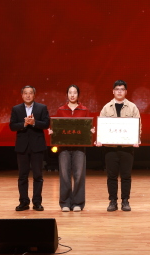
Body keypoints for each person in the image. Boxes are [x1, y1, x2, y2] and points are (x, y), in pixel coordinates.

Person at [96, 80, 141, 212]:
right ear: (113, 91)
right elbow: (101, 126)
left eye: (122, 89)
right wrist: (100, 139)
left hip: (127, 148)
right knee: (111, 176)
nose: (119, 91)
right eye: (117, 89)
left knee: (126, 176)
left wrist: (136, 139)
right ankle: (113, 201)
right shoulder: (106, 108)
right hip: (110, 148)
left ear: (126, 92)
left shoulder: (132, 107)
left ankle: (125, 201)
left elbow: (138, 125)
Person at [9, 85, 50, 211]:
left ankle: (37, 202)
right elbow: (12, 126)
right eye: (25, 93)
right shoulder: (16, 109)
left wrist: (34, 123)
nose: (28, 95)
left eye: (30, 93)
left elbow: (46, 124)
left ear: (34, 95)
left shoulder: (42, 108)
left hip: (37, 146)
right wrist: (24, 124)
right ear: (22, 95)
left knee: (38, 176)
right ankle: (24, 202)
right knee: (22, 176)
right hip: (22, 147)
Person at [55, 84, 89, 212]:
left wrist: (90, 131)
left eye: (75, 92)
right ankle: (65, 203)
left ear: (78, 95)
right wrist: (54, 131)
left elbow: (87, 127)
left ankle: (78, 203)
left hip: (79, 147)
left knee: (79, 175)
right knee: (64, 175)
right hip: (64, 147)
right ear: (67, 94)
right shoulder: (61, 110)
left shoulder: (84, 110)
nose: (72, 95)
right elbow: (57, 127)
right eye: (70, 92)